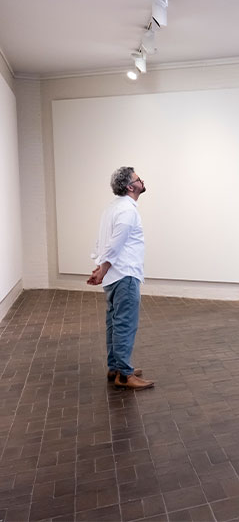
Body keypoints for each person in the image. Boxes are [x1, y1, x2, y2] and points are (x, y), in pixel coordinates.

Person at [87, 167, 154, 390]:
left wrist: (100, 267)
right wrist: (103, 268)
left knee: (115, 323)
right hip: (124, 274)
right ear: (130, 186)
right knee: (125, 324)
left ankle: (115, 367)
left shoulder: (111, 208)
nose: (141, 180)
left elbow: (102, 241)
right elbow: (115, 243)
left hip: (114, 276)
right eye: (137, 178)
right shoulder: (127, 210)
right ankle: (124, 375)